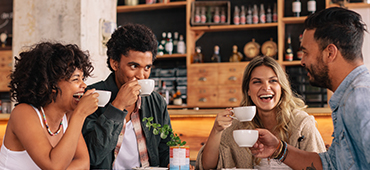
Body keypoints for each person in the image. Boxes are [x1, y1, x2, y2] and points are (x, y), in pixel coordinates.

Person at [250, 7, 370, 170]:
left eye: (305, 52)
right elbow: (331, 165)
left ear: (330, 53)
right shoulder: (347, 97)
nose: (302, 61)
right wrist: (278, 149)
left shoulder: (360, 96)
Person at [196, 56, 326, 170]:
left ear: (281, 87)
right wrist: (217, 130)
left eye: (273, 81)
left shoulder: (302, 124)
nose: (266, 87)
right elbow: (207, 166)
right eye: (257, 82)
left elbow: (321, 165)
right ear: (248, 90)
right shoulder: (237, 128)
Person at [82, 23, 172, 169]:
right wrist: (117, 106)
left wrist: (173, 163)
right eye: (134, 66)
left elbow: (165, 149)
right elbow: (92, 156)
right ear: (114, 63)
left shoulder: (156, 102)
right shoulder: (92, 97)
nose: (141, 76)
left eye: (147, 67)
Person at [0, 42, 97, 169]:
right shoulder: (23, 113)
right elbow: (53, 166)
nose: (83, 85)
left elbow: (83, 162)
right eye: (76, 79)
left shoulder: (67, 115)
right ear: (51, 85)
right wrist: (80, 114)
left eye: (83, 79)